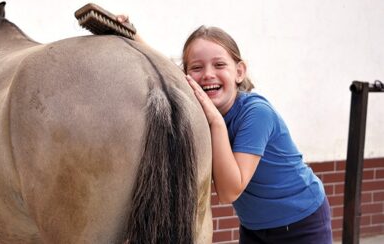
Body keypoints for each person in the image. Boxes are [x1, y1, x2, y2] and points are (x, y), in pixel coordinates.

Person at [118, 17, 332, 244]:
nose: (208, 74)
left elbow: (229, 191)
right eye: (197, 68)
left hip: (302, 221)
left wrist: (217, 123)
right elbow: (168, 73)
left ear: (239, 72)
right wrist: (133, 35)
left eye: (219, 65)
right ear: (187, 77)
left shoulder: (257, 113)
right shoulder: (197, 110)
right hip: (255, 227)